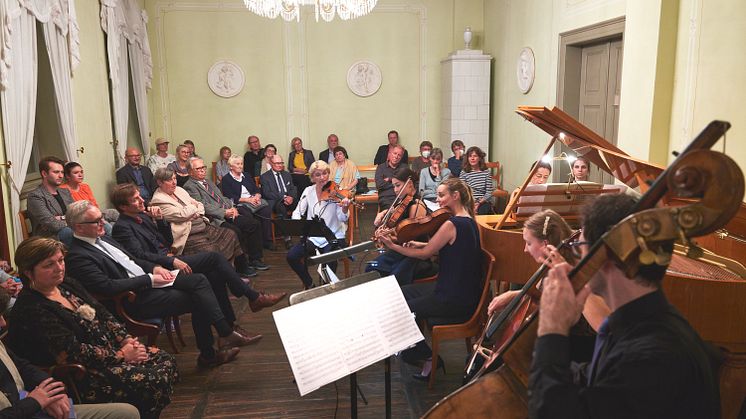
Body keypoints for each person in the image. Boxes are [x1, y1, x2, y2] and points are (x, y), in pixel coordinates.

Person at [528, 193, 721, 418]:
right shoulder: (635, 327)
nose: (578, 256)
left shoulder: (651, 358)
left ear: (605, 255)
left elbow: (550, 413)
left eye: (581, 245)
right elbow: (595, 376)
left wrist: (552, 329)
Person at [64, 202, 254, 368]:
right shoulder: (77, 255)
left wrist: (154, 268)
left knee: (201, 279)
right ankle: (214, 348)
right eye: (96, 221)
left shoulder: (103, 237)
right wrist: (149, 279)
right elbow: (107, 287)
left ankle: (222, 336)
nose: (102, 223)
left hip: (150, 281)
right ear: (79, 227)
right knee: (199, 296)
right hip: (134, 298)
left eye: (101, 218)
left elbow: (133, 259)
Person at [7, 237, 177, 418]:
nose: (59, 268)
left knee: (165, 360)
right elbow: (72, 352)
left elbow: (104, 314)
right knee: (152, 379)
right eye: (49, 265)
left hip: (109, 352)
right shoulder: (31, 308)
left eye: (61, 260)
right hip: (80, 373)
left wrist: (126, 340)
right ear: (28, 272)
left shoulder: (67, 284)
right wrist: (122, 355)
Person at [110, 184, 285, 316]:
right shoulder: (123, 227)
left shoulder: (143, 216)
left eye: (140, 197)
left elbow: (167, 240)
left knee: (216, 276)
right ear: (123, 207)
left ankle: (232, 325)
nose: (142, 200)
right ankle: (252, 297)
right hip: (161, 267)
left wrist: (160, 221)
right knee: (214, 258)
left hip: (170, 256)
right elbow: (139, 255)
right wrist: (170, 259)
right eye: (136, 199)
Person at [378, 178, 482, 380]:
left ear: (456, 195)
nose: (438, 199)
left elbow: (426, 254)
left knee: (403, 308)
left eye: (441, 195)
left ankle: (425, 356)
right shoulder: (469, 221)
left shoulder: (452, 224)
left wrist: (393, 246)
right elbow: (441, 249)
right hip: (458, 288)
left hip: (453, 297)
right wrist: (414, 243)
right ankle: (414, 348)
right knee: (400, 293)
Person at [0, 291, 140, 419]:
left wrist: (52, 394)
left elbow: (23, 366)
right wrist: (35, 402)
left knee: (127, 412)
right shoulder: (32, 306)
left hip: (29, 405)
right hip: (24, 409)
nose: (3, 322)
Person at [486, 209, 596, 362]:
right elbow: (539, 295)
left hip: (574, 347)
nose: (525, 249)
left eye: (529, 243)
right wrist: (514, 294)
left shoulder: (563, 271)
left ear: (545, 244)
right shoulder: (557, 264)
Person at [150, 168, 257, 277]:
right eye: (169, 180)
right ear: (159, 182)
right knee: (211, 249)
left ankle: (236, 271)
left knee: (231, 234)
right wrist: (193, 208)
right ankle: (226, 276)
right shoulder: (158, 200)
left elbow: (199, 205)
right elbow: (183, 215)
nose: (174, 182)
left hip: (204, 226)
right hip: (188, 235)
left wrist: (194, 211)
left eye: (174, 178)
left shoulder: (179, 190)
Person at [184, 158, 269, 271]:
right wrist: (224, 212)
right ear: (190, 171)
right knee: (235, 231)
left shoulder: (208, 182)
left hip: (228, 212)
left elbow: (222, 197)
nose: (203, 170)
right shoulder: (189, 186)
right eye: (198, 168)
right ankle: (242, 267)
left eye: (203, 167)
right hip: (215, 218)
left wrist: (232, 207)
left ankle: (255, 259)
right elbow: (202, 205)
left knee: (253, 224)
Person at [286, 161, 351, 290]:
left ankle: (328, 288)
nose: (322, 177)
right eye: (318, 175)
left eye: (325, 173)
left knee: (330, 259)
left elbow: (342, 218)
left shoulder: (336, 191)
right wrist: (299, 227)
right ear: (312, 177)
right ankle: (309, 284)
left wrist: (344, 208)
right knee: (292, 256)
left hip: (333, 234)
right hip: (313, 236)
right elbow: (298, 211)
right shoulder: (308, 191)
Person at [367, 167, 428, 286]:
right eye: (394, 186)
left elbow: (410, 240)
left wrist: (388, 238)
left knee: (392, 279)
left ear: (410, 184)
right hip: (400, 251)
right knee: (371, 268)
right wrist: (384, 215)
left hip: (413, 255)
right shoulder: (402, 202)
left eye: (398, 185)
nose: (395, 190)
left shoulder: (416, 206)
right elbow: (397, 228)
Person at [220, 155, 274, 249]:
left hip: (253, 201)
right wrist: (248, 200)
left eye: (241, 163)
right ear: (231, 166)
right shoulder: (226, 179)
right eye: (237, 164)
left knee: (266, 210)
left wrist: (257, 196)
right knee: (247, 215)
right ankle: (252, 245)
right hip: (240, 204)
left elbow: (256, 189)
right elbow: (229, 197)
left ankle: (267, 241)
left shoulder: (247, 175)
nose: (240, 166)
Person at [26, 156, 74, 243]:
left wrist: (61, 218)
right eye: (56, 172)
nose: (60, 176)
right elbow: (52, 224)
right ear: (44, 174)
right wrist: (70, 220)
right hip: (48, 238)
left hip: (68, 231)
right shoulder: (35, 196)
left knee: (100, 225)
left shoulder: (65, 192)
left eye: (62, 172)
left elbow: (76, 214)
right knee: (71, 232)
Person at [61, 162, 118, 227]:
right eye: (76, 173)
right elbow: (74, 212)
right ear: (68, 176)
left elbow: (94, 203)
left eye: (81, 172)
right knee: (109, 226)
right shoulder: (63, 190)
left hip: (94, 213)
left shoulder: (85, 186)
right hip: (84, 219)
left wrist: (99, 215)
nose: (80, 175)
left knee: (114, 212)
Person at [259, 154, 298, 250]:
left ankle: (304, 237)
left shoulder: (287, 174)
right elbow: (267, 193)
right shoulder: (265, 177)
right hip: (276, 201)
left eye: (281, 163)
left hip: (289, 200)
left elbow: (293, 188)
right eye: (277, 163)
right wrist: (284, 197)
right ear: (271, 164)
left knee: (302, 204)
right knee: (282, 208)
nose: (280, 165)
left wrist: (291, 197)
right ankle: (287, 238)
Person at [459, 146, 494, 215]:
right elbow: (462, 191)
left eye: (475, 156)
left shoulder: (486, 172)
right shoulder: (464, 172)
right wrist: (472, 203)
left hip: (483, 201)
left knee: (483, 211)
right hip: (469, 200)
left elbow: (489, 192)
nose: (472, 158)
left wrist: (479, 203)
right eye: (470, 156)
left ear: (480, 158)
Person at [375, 144, 407, 210]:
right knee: (393, 212)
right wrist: (398, 183)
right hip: (386, 198)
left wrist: (390, 179)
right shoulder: (381, 167)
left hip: (401, 198)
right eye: (395, 153)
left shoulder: (405, 167)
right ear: (390, 154)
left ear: (401, 157)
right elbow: (379, 185)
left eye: (399, 155)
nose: (396, 156)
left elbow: (406, 184)